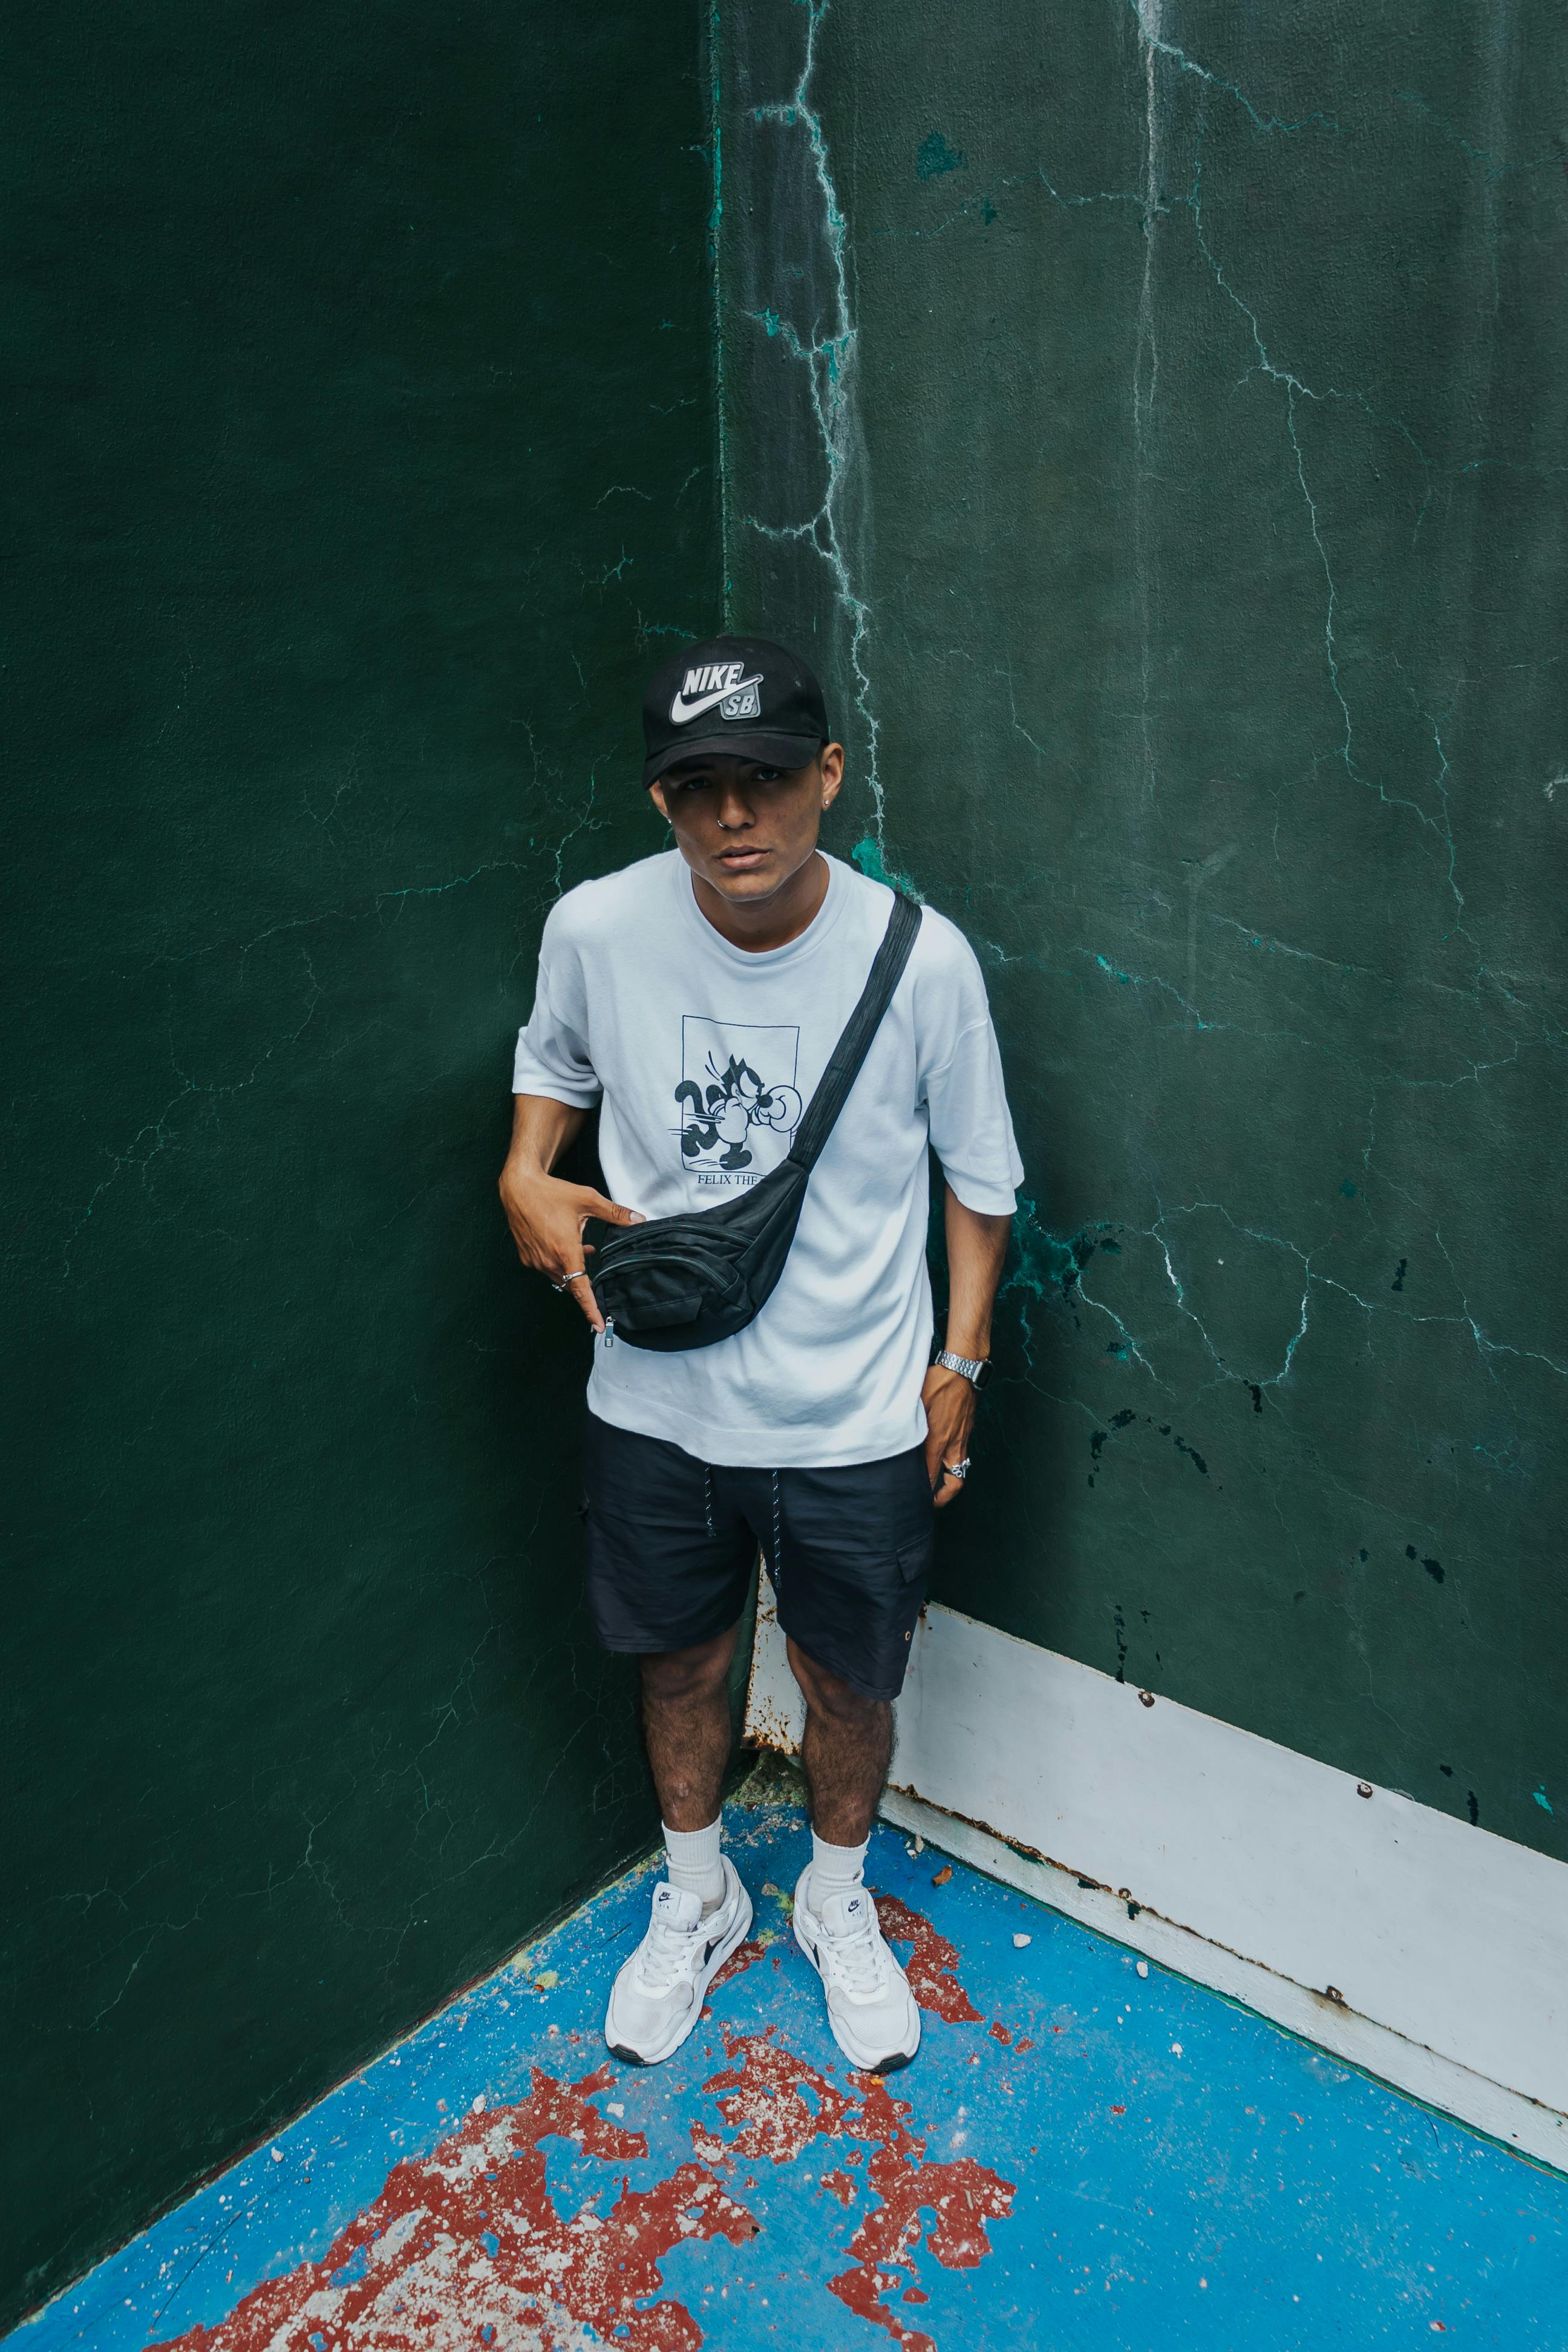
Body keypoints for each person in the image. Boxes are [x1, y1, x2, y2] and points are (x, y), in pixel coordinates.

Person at [499, 635, 1022, 2074]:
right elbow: (552, 1064)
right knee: (680, 1668)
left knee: (851, 1684)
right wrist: (525, 1169)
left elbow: (981, 1181)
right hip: (652, 1404)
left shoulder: (922, 964)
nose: (736, 815)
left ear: (829, 776)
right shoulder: (596, 929)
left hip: (853, 1416)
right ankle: (700, 1894)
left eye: (768, 778)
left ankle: (836, 1900)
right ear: (660, 799)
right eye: (699, 786)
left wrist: (962, 1360)